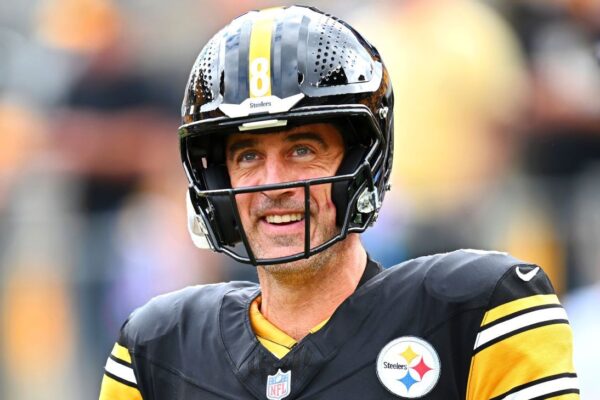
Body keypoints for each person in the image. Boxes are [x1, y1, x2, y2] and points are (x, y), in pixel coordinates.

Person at [99, 6, 579, 399]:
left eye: (302, 150)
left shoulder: (476, 313)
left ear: (362, 161)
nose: (273, 184)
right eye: (248, 156)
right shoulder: (158, 349)